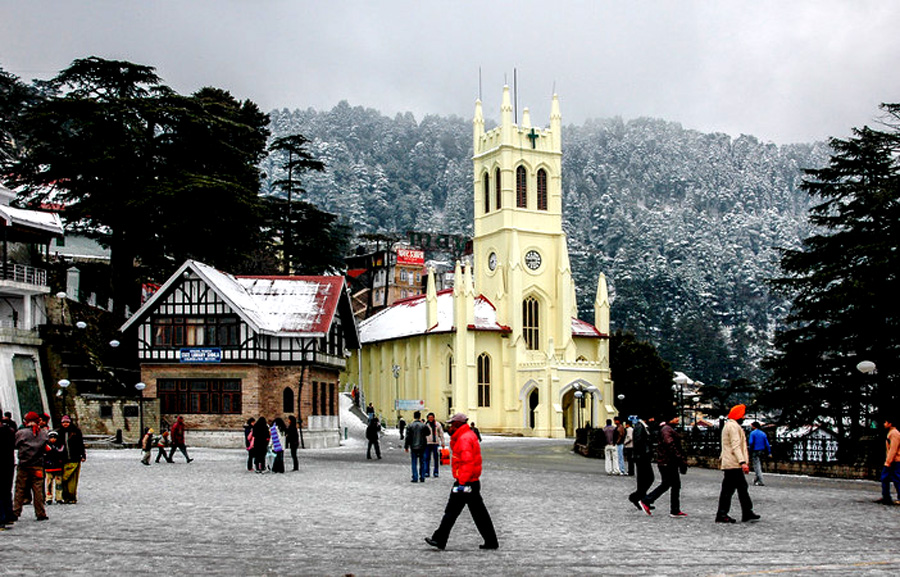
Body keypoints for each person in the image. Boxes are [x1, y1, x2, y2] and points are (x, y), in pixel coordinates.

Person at [425, 413, 499, 550]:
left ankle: (439, 539)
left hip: (465, 482)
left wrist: (462, 482)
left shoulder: (464, 439)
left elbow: (467, 462)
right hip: (471, 481)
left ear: (457, 424)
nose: (450, 427)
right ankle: (491, 541)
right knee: (479, 514)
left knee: (452, 512)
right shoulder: (467, 436)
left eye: (452, 425)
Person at [716, 404, 760, 523]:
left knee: (738, 488)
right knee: (732, 489)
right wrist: (742, 462)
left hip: (731, 463)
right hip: (733, 463)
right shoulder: (733, 427)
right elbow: (735, 446)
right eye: (742, 415)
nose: (744, 417)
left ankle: (746, 511)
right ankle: (725, 513)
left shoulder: (729, 425)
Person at [639, 413, 688, 518]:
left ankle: (675, 509)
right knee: (668, 484)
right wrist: (680, 458)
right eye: (676, 417)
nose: (678, 419)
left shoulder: (667, 429)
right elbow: (670, 444)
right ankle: (647, 500)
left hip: (668, 461)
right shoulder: (667, 430)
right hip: (668, 462)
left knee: (674, 484)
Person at [12, 411, 49, 521]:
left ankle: (16, 511)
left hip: (24, 465)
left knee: (20, 489)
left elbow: (16, 445)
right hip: (38, 465)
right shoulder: (43, 433)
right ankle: (40, 512)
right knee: (38, 490)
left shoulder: (21, 433)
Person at [57, 415, 86, 504]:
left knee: (73, 479)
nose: (65, 424)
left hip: (74, 458)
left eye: (67, 422)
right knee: (64, 479)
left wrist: (83, 455)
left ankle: (72, 496)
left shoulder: (76, 432)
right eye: (63, 422)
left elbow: (80, 444)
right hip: (63, 459)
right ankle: (65, 496)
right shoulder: (59, 432)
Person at [628, 415, 655, 511]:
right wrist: (642, 455)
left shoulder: (643, 426)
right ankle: (637, 497)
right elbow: (638, 441)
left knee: (644, 479)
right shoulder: (640, 426)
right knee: (648, 478)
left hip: (642, 456)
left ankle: (641, 498)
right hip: (642, 457)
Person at [876, 414, 900, 505]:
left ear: (890, 424)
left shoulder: (894, 434)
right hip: (894, 460)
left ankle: (887, 497)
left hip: (895, 460)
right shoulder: (892, 433)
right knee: (889, 478)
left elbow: (893, 449)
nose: (884, 424)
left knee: (892, 478)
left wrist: (888, 461)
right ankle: (886, 496)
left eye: (885, 422)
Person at [1, 416, 17, 529]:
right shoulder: (10, 431)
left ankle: (2, 518)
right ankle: (9, 515)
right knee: (6, 490)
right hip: (8, 464)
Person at [404, 411, 428, 482]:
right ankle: (422, 476)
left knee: (414, 462)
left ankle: (415, 477)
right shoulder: (423, 425)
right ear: (420, 416)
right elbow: (428, 433)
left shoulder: (410, 425)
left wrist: (406, 446)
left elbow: (407, 437)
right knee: (422, 461)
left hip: (413, 445)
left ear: (414, 416)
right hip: (422, 445)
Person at [748, 421, 771, 486]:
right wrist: (769, 452)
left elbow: (751, 442)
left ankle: (760, 480)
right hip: (762, 450)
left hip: (755, 450)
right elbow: (767, 443)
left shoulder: (752, 433)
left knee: (756, 466)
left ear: (754, 426)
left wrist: (750, 450)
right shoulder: (763, 433)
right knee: (758, 464)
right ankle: (756, 479)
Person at [424, 412, 446, 478]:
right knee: (427, 458)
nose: (430, 419)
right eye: (429, 417)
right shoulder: (425, 425)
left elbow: (441, 434)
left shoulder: (437, 424)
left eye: (431, 417)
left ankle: (436, 472)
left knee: (436, 458)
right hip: (427, 443)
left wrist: (443, 442)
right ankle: (426, 472)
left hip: (435, 443)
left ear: (434, 418)